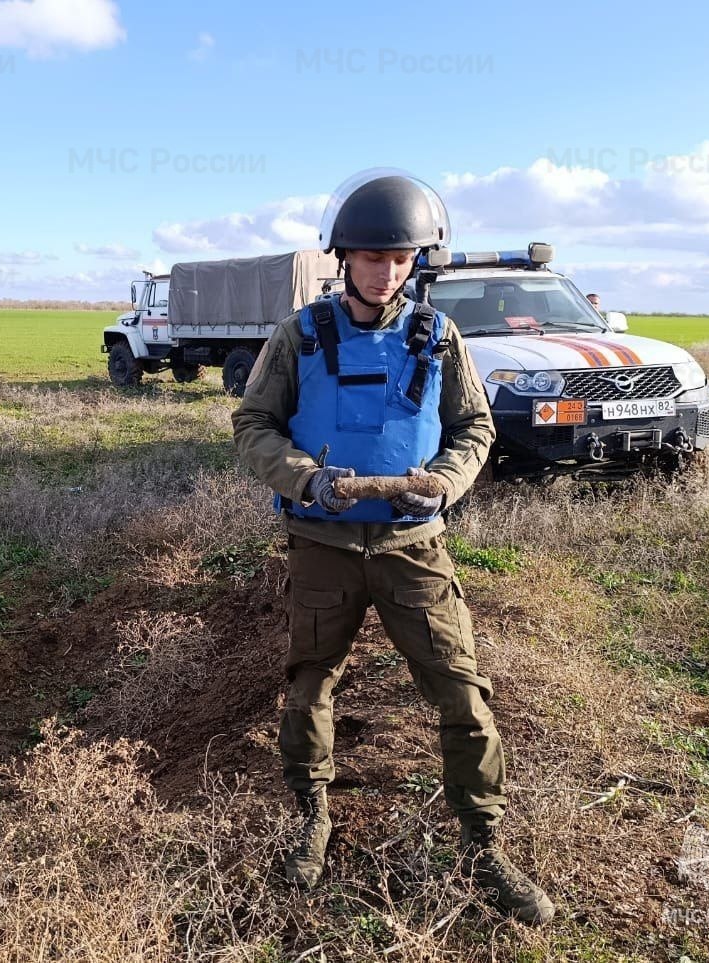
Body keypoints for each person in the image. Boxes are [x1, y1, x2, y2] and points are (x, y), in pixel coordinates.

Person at [231, 169, 555, 925]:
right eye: (372, 256)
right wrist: (306, 479)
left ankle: (483, 840)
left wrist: (443, 483)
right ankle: (311, 815)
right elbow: (254, 424)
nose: (385, 271)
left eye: (400, 257)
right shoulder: (300, 334)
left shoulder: (438, 337)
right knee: (310, 684)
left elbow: (474, 428)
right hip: (322, 543)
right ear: (344, 257)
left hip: (413, 546)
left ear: (416, 261)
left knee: (462, 692)